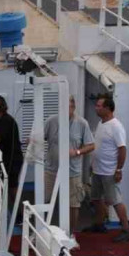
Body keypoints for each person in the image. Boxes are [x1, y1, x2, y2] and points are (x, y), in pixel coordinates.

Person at [43, 97, 94, 232]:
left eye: (70, 107)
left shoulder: (82, 124)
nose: (67, 110)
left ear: (74, 108)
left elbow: (91, 145)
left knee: (74, 204)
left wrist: (76, 152)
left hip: (72, 171)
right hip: (51, 169)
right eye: (64, 107)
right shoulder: (51, 121)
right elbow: (40, 137)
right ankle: (41, 230)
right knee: (44, 200)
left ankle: (71, 234)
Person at [90, 95, 129, 241]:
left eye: (99, 106)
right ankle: (99, 224)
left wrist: (119, 170)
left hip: (109, 171)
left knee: (115, 200)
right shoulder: (101, 123)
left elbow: (122, 149)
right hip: (97, 170)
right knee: (96, 198)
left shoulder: (116, 126)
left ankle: (126, 230)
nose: (96, 108)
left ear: (108, 108)